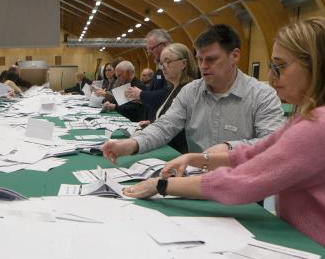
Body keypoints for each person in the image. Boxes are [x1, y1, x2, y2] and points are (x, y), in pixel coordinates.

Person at [124, 17, 325, 259]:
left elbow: (244, 181)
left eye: (280, 67)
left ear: (315, 65)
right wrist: (198, 158)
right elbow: (255, 152)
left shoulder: (321, 124)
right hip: (312, 243)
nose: (272, 77)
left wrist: (161, 186)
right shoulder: (316, 115)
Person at [102, 24, 284, 162]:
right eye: (199, 59)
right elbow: (165, 126)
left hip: (244, 185)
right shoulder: (190, 91)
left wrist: (230, 147)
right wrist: (133, 144)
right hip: (196, 180)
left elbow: (271, 142)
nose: (203, 66)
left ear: (235, 56)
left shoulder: (262, 95)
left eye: (211, 59)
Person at [139, 43, 199, 153]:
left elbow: (181, 126)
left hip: (178, 153)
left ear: (184, 64)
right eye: (162, 63)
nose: (163, 67)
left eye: (168, 61)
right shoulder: (172, 88)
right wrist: (153, 122)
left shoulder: (188, 90)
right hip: (167, 149)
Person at [124, 29, 172, 121]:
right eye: (147, 49)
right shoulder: (159, 68)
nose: (149, 53)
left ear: (165, 45)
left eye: (151, 49)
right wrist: (140, 99)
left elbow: (169, 94)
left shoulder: (173, 67)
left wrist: (141, 95)